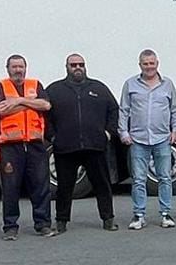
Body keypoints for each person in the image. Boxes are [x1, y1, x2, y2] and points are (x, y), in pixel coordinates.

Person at [45, 54, 120, 233]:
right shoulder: (55, 90)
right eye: (73, 65)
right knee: (64, 187)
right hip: (65, 148)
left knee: (102, 184)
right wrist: (52, 137)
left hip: (94, 146)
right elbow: (44, 117)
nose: (77, 67)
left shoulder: (98, 88)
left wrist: (108, 133)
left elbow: (114, 110)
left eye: (81, 64)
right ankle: (61, 221)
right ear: (67, 67)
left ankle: (108, 219)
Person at [120, 49, 176, 230]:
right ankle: (139, 215)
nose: (149, 67)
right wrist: (123, 132)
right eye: (145, 63)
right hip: (138, 139)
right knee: (139, 179)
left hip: (162, 138)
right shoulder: (130, 84)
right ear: (140, 65)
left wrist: (175, 129)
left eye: (152, 63)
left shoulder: (167, 84)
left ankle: (166, 213)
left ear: (157, 63)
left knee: (165, 177)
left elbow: (175, 109)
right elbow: (124, 109)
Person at [0, 55, 55, 240]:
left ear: (26, 68)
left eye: (21, 66)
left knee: (41, 185)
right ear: (8, 68)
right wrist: (30, 103)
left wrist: (18, 101)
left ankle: (43, 224)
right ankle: (10, 227)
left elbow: (46, 105)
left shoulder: (35, 84)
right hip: (11, 146)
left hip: (35, 144)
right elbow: (0, 110)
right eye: (14, 67)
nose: (18, 70)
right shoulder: (1, 86)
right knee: (11, 187)